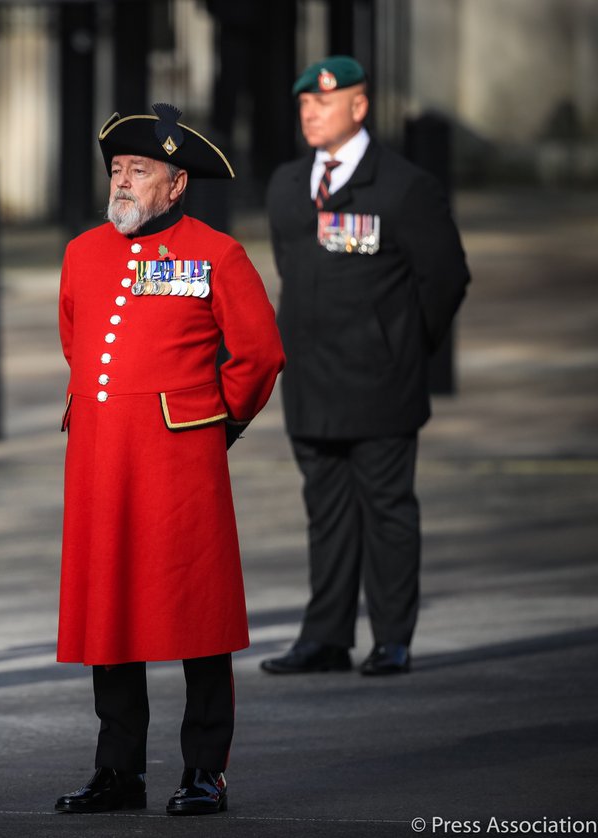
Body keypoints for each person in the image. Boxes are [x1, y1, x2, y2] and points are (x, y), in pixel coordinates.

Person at [53, 103, 285, 816]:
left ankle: (204, 771)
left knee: (197, 615)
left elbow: (260, 353)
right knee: (110, 613)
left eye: (139, 170)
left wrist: (218, 423)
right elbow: (75, 339)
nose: (122, 182)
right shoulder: (82, 252)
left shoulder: (216, 253)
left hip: (180, 461)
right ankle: (118, 771)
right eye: (117, 170)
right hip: (100, 459)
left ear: (176, 185)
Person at [261, 56, 469, 677]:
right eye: (303, 104)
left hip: (381, 383)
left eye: (323, 103)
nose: (309, 113)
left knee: (386, 509)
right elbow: (292, 274)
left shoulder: (403, 187)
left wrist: (402, 346)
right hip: (311, 380)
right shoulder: (286, 186)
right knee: (325, 512)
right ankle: (325, 637)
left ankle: (392, 637)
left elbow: (446, 278)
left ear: (359, 107)